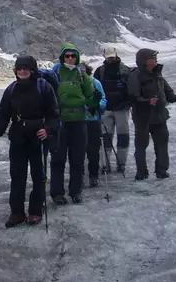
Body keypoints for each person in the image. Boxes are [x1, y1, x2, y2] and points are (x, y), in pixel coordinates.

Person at [0, 55, 60, 227]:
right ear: (15, 71)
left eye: (26, 68)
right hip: (18, 137)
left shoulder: (44, 87)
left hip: (38, 137)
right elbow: (3, 113)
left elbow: (54, 113)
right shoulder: (11, 89)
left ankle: (36, 211)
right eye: (19, 69)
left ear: (32, 70)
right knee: (17, 175)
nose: (22, 71)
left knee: (38, 176)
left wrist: (48, 129)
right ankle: (17, 212)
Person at [50, 43, 99, 205]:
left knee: (77, 159)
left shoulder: (81, 75)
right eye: (67, 56)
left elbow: (90, 95)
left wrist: (94, 100)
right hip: (60, 123)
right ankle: (57, 193)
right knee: (58, 159)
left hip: (79, 122)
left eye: (73, 56)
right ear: (63, 57)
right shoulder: (55, 73)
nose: (70, 58)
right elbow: (49, 95)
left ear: (77, 57)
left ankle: (76, 191)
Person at [127, 48, 176, 180]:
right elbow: (133, 97)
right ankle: (141, 172)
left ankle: (161, 170)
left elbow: (167, 92)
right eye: (152, 58)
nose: (155, 61)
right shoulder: (136, 76)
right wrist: (148, 101)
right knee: (141, 146)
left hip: (159, 116)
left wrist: (175, 97)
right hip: (143, 118)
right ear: (144, 61)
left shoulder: (158, 74)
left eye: (155, 59)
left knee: (162, 143)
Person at [94, 47, 132, 174]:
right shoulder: (99, 71)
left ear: (116, 55)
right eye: (109, 56)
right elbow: (94, 88)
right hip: (106, 110)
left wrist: (127, 101)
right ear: (104, 56)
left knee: (123, 137)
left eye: (113, 56)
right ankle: (105, 165)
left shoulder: (125, 70)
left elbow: (131, 88)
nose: (111, 59)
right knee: (106, 139)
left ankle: (121, 164)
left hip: (122, 109)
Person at [82, 63, 107, 188]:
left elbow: (103, 99)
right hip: (78, 121)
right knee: (78, 151)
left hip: (93, 120)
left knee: (93, 150)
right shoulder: (72, 85)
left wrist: (98, 105)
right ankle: (79, 176)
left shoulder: (95, 82)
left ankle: (93, 176)